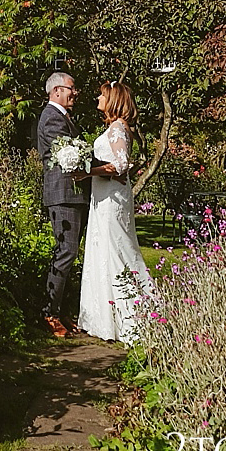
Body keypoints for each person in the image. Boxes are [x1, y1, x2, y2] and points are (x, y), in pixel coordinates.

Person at [35, 71, 118, 338]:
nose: (76, 93)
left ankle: (61, 310)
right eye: (72, 88)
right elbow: (68, 153)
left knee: (70, 255)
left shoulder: (64, 117)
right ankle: (49, 313)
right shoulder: (51, 118)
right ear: (57, 91)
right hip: (63, 195)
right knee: (65, 253)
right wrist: (106, 168)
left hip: (74, 194)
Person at [76, 81, 155, 343]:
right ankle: (106, 319)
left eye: (102, 94)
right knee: (103, 250)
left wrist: (88, 171)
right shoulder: (114, 128)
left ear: (113, 100)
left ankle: (137, 316)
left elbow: (121, 165)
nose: (98, 97)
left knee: (116, 249)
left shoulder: (117, 128)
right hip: (104, 196)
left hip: (111, 198)